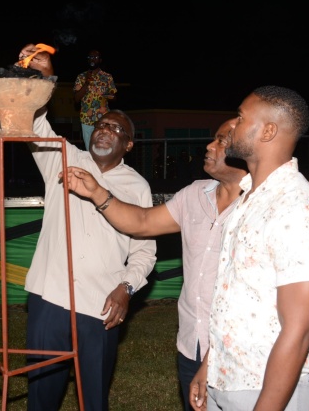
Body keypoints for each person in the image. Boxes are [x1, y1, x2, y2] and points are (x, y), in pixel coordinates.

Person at [60, 119, 248, 411]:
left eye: (222, 141)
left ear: (247, 152)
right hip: (191, 342)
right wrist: (97, 193)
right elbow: (143, 222)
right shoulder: (195, 194)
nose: (210, 146)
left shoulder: (264, 205)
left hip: (242, 351)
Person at [19, 44, 156, 411]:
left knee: (92, 397)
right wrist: (43, 77)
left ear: (127, 144)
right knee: (42, 396)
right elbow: (31, 120)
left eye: (115, 128)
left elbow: (144, 249)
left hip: (100, 304)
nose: (104, 130)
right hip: (50, 298)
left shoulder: (137, 186)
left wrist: (127, 288)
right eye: (100, 123)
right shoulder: (63, 156)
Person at [189, 86, 309, 411]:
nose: (232, 127)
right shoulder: (250, 199)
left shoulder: (297, 209)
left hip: (268, 388)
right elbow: (238, 300)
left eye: (241, 118)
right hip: (227, 379)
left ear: (268, 130)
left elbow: (299, 330)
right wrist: (210, 366)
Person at [73, 49, 117, 149]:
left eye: (95, 57)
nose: (93, 59)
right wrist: (87, 82)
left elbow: (114, 97)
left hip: (103, 119)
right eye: (90, 57)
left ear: (100, 60)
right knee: (90, 150)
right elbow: (76, 99)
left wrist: (107, 95)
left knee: (104, 148)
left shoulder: (107, 77)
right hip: (86, 119)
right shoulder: (81, 77)